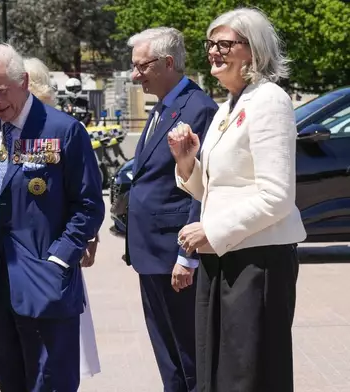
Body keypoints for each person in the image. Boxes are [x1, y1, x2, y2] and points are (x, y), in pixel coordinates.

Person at [169, 8, 306, 392]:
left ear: (254, 51)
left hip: (256, 263)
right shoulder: (230, 105)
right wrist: (187, 163)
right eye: (211, 43)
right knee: (218, 373)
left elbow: (277, 196)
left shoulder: (269, 100)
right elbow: (222, 189)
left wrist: (211, 230)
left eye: (225, 43)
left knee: (249, 376)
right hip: (224, 257)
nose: (214, 51)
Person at [0, 44, 104, 392]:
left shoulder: (64, 130)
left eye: (1, 91)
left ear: (25, 81)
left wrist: (59, 259)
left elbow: (88, 204)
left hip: (47, 287)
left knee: (51, 384)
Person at [125, 27, 218, 392]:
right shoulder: (164, 107)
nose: (135, 75)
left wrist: (188, 256)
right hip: (150, 252)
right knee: (168, 357)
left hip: (174, 254)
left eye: (141, 66)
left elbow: (202, 186)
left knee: (188, 355)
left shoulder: (198, 108)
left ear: (167, 63)